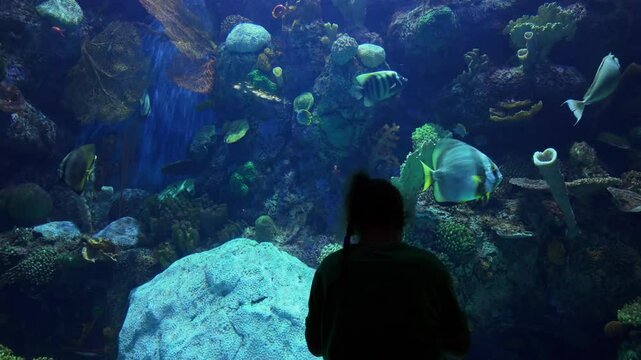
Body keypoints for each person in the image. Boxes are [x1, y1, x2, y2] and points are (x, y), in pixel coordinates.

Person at [305, 172, 470, 359]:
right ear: (403, 218)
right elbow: (459, 345)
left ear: (354, 221)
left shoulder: (331, 268)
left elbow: (315, 345)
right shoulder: (429, 268)